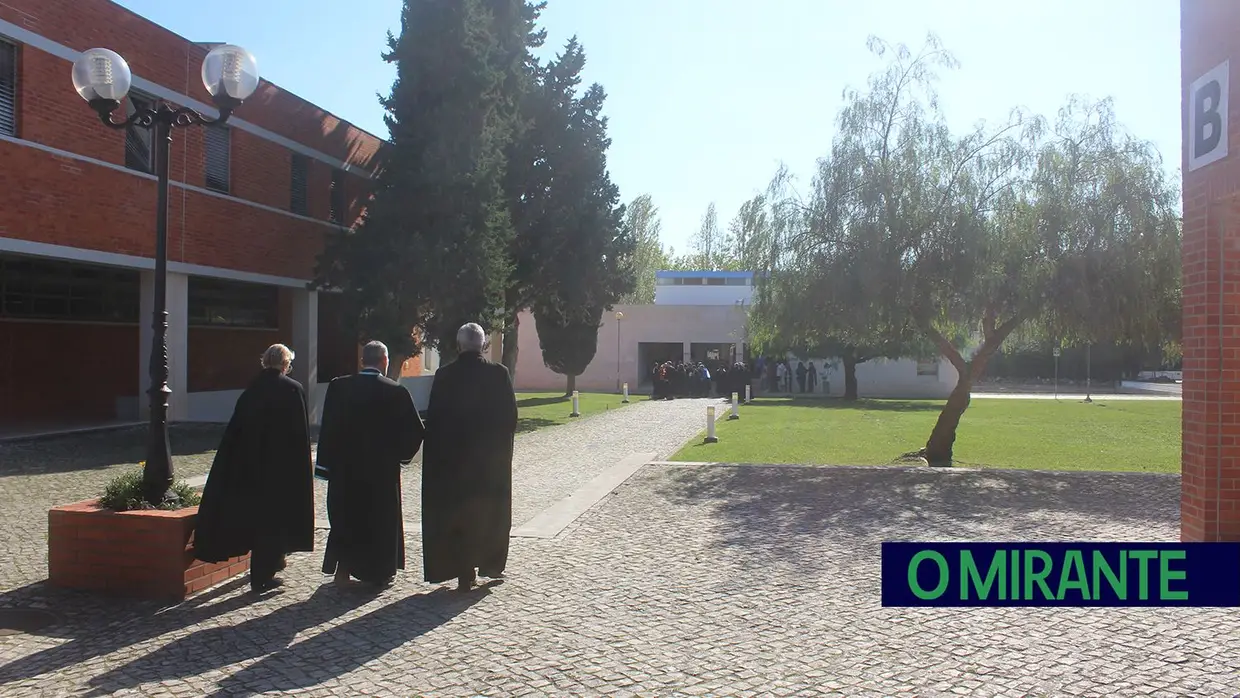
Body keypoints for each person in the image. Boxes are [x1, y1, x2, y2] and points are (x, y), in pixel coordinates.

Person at [193, 344, 314, 593]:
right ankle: (263, 574)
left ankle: (267, 567)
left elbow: (236, 434)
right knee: (274, 522)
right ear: (285, 364)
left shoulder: (250, 391)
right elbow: (299, 435)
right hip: (280, 469)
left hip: (250, 468)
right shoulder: (292, 390)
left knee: (259, 521)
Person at [318, 340, 424, 588]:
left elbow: (328, 429)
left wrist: (325, 465)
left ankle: (342, 570)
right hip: (380, 472)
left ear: (362, 360)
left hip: (345, 471)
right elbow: (416, 431)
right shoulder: (396, 391)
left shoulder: (339, 387)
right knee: (378, 522)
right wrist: (401, 455)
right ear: (385, 361)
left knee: (346, 519)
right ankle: (378, 572)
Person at [422, 323, 519, 592]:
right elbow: (510, 418)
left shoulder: (444, 375)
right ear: (483, 345)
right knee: (488, 515)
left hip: (454, 464)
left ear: (458, 345)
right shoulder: (498, 374)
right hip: (488, 464)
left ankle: (462, 569)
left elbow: (435, 422)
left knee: (457, 515)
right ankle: (487, 564)